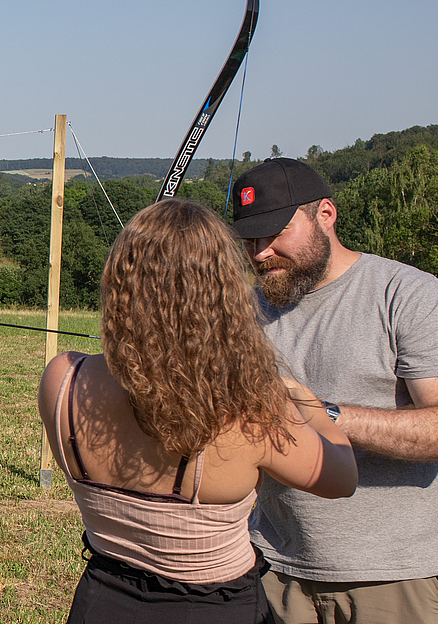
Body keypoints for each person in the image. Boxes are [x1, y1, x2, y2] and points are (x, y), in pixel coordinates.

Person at [38, 199, 357, 624]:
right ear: (220, 294)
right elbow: (341, 477)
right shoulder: (248, 410)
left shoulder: (62, 378)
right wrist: (306, 403)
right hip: (214, 609)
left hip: (102, 600)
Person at [232, 158, 438, 624]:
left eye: (275, 234)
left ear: (325, 214)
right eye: (250, 240)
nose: (261, 253)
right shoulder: (243, 312)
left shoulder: (407, 295)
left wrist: (319, 413)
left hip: (392, 578)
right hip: (271, 569)